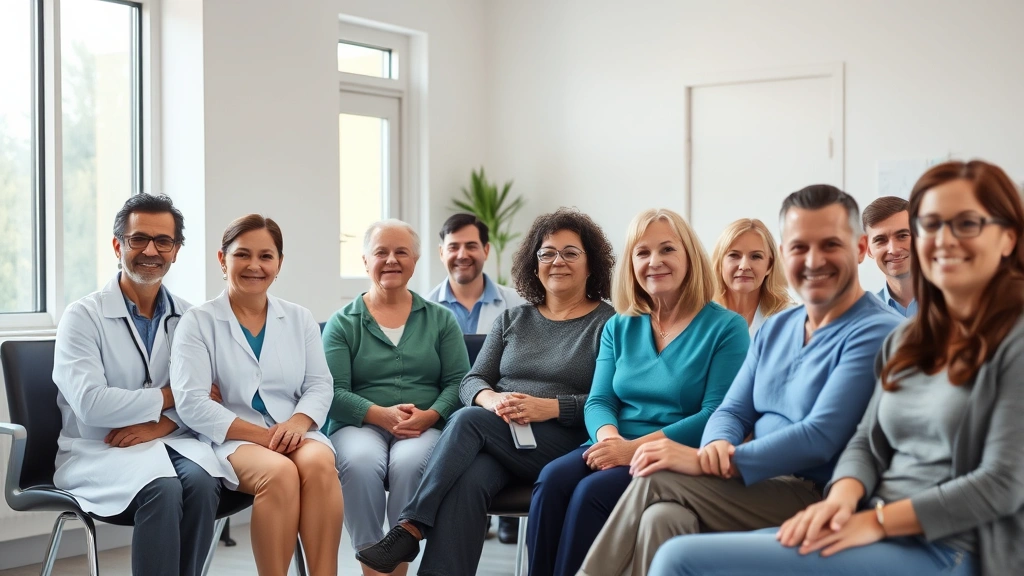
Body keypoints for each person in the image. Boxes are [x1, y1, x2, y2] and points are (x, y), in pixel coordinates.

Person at [647, 160, 1024, 576]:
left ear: (1007, 238)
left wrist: (875, 522)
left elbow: (1002, 485)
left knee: (678, 559)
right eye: (931, 225)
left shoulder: (1013, 339)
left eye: (966, 224)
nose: (943, 240)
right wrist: (841, 501)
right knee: (670, 529)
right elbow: (867, 442)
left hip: (949, 544)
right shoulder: (910, 338)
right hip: (870, 517)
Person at [578, 185, 901, 576]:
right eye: (800, 247)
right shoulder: (778, 327)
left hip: (812, 491)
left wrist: (709, 461)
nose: (813, 260)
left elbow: (819, 436)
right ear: (784, 255)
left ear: (861, 248)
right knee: (661, 518)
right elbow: (732, 408)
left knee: (654, 479)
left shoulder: (878, 330)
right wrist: (716, 445)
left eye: (830, 244)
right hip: (754, 479)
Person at [356, 208, 617, 576]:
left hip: (563, 441)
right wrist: (490, 399)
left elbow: (609, 399)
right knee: (470, 477)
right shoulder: (513, 319)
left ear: (591, 264)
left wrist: (550, 408)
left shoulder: (609, 324)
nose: (557, 261)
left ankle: (410, 527)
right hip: (499, 433)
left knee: (467, 421)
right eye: (547, 253)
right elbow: (471, 381)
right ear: (534, 263)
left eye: (570, 253)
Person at [527, 209, 750, 576]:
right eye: (642, 252)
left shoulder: (726, 327)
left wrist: (632, 450)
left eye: (667, 250)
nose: (654, 262)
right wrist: (611, 441)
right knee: (551, 480)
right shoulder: (620, 324)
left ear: (689, 256)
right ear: (631, 263)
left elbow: (715, 413)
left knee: (590, 494)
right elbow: (600, 400)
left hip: (672, 453)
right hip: (611, 443)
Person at [52, 194, 229, 576]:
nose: (151, 250)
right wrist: (173, 395)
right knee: (162, 489)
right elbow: (92, 405)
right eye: (138, 239)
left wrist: (163, 424)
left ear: (176, 250)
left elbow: (211, 397)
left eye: (163, 241)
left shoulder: (190, 316)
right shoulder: (82, 317)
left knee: (203, 481)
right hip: (98, 447)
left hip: (167, 439)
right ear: (118, 245)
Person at [171, 214, 342, 576]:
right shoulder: (198, 322)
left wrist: (298, 422)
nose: (254, 265)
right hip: (232, 437)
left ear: (279, 264)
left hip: (295, 430)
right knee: (278, 472)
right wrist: (266, 437)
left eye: (266, 256)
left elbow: (319, 384)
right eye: (242, 255)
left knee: (319, 464)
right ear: (222, 259)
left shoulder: (299, 318)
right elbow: (192, 402)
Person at [324, 219, 471, 576]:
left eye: (401, 252)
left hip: (424, 424)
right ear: (364, 261)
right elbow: (331, 391)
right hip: (359, 424)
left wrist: (432, 415)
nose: (391, 260)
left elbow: (459, 382)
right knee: (358, 462)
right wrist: (379, 414)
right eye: (381, 252)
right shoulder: (342, 323)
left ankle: (396, 563)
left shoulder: (441, 319)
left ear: (415, 260)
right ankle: (371, 564)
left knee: (408, 465)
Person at [426, 213, 528, 544]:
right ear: (441, 252)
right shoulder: (424, 309)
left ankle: (500, 511)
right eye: (453, 246)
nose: (462, 254)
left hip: (504, 415)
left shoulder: (518, 305)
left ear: (486, 249)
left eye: (471, 245)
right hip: (446, 412)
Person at [711, 218, 793, 335]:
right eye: (734, 255)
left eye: (756, 256)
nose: (744, 266)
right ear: (719, 263)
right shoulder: (699, 316)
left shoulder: (789, 319)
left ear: (769, 265)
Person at [863, 196, 918, 317]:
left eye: (902, 236)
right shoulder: (863, 317)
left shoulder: (954, 302)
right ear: (869, 250)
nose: (893, 250)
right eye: (880, 240)